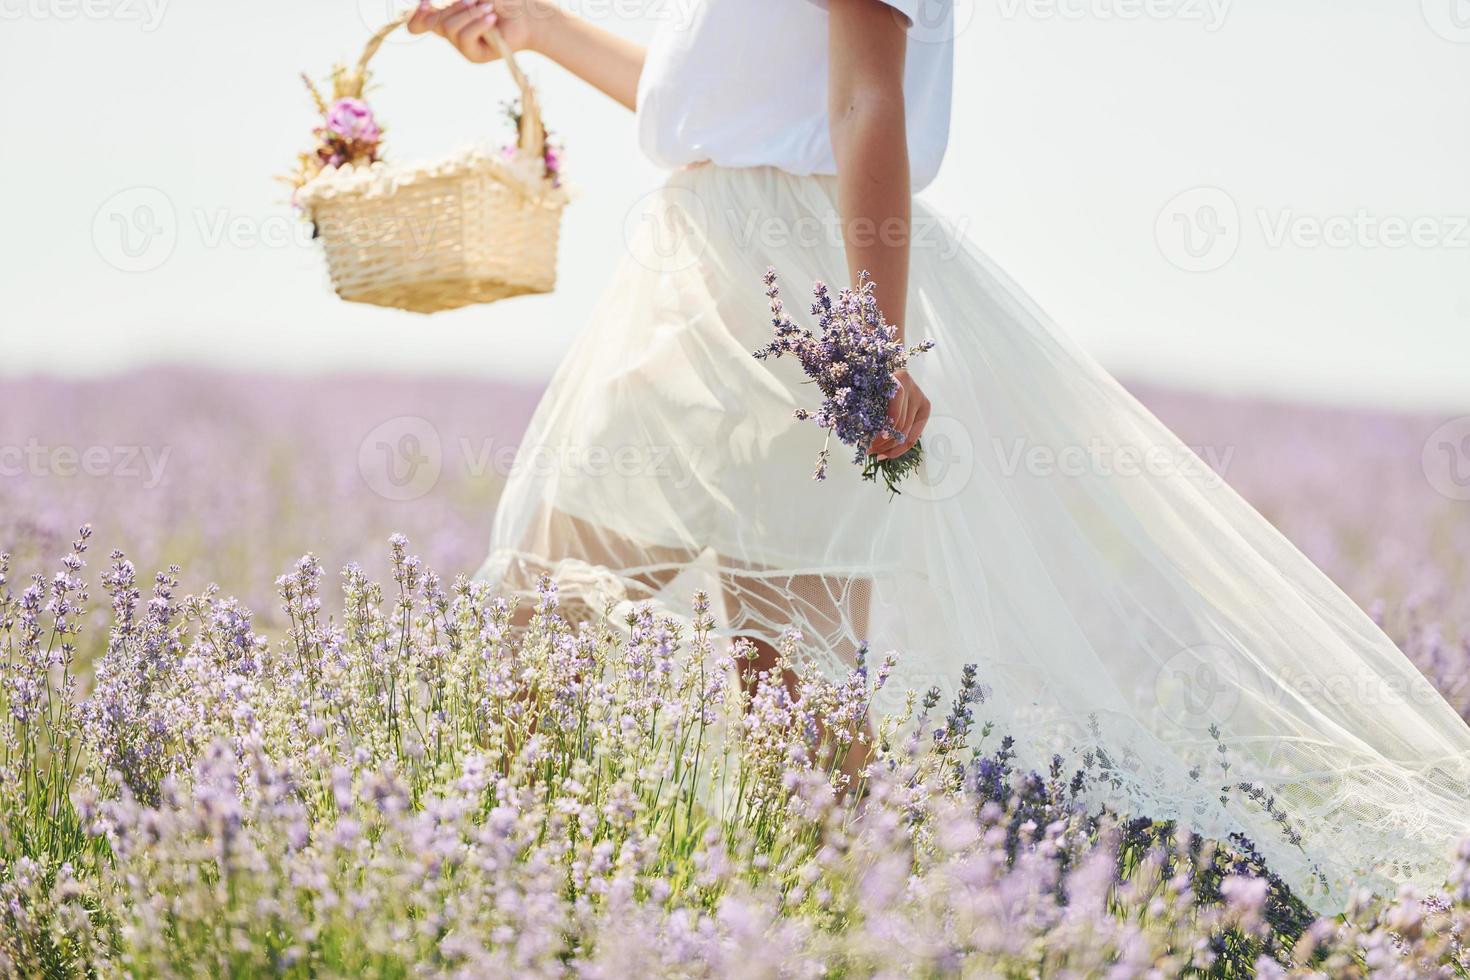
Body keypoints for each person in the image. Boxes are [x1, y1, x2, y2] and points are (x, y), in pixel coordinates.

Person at [409, 0, 1470, 913]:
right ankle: (815, 923)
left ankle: (488, 899)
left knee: (570, 616)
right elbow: (723, 109)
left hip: (774, 287)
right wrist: (539, 26)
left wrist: (869, 340)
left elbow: (866, 104)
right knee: (784, 672)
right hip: (740, 262)